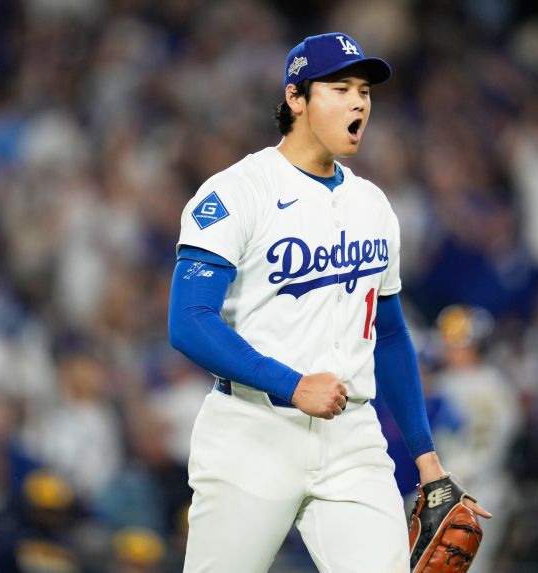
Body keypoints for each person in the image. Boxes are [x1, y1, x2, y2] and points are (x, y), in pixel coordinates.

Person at [168, 32, 490, 572]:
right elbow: (189, 320)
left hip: (352, 438)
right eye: (340, 89)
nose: (358, 102)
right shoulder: (235, 192)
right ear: (295, 98)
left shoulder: (373, 204)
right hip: (252, 429)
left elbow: (389, 334)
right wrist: (292, 384)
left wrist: (427, 459)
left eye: (364, 90)